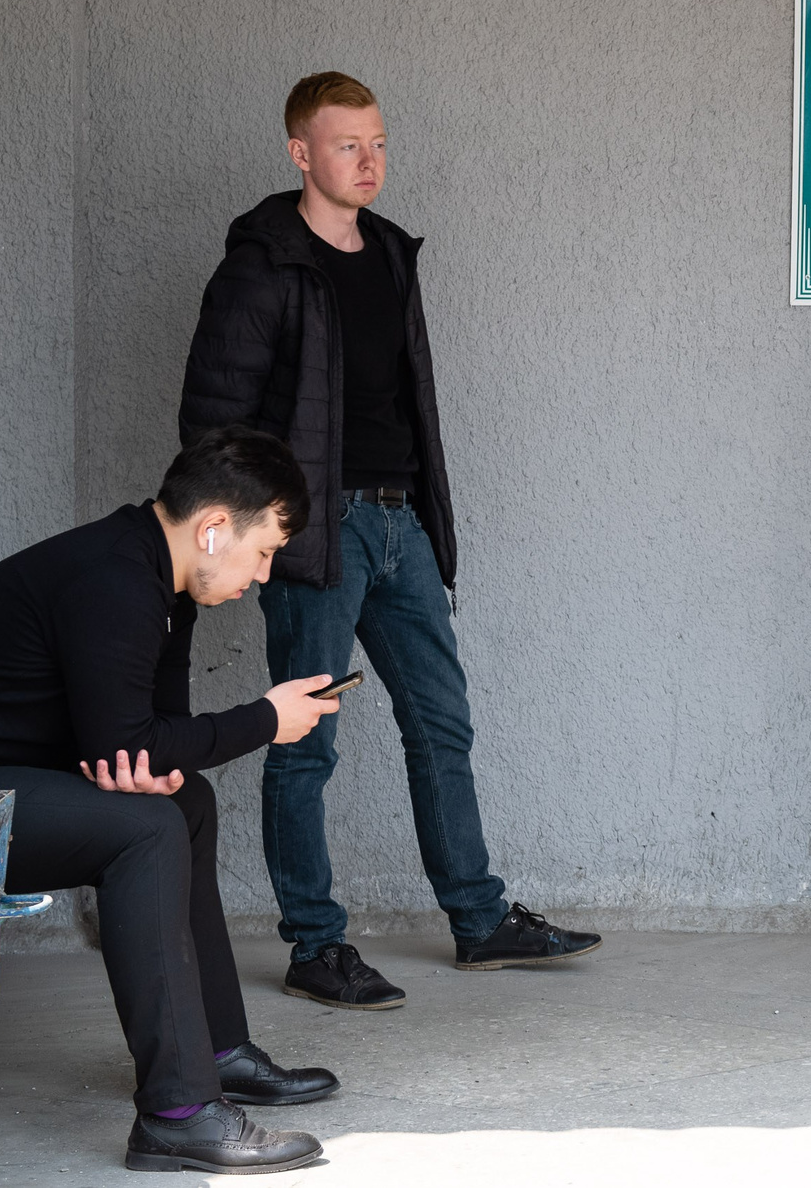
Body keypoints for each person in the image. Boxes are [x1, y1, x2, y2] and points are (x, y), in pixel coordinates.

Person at [179, 71, 596, 1013]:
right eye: (345, 146)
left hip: (400, 519)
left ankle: (479, 922)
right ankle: (315, 946)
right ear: (300, 154)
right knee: (306, 743)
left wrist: (425, 519)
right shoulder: (264, 264)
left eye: (376, 144)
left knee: (441, 722)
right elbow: (211, 417)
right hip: (317, 535)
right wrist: (256, 534)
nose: (367, 162)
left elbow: (406, 402)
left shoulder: (392, 254)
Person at [0, 429, 342, 1173]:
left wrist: (158, 766)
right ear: (212, 529)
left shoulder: (162, 583)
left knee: (185, 802)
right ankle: (177, 1112)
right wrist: (265, 719)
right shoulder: (115, 578)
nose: (263, 574)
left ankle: (215, 1050)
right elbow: (129, 739)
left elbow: (141, 745)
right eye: (263, 550)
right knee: (145, 832)